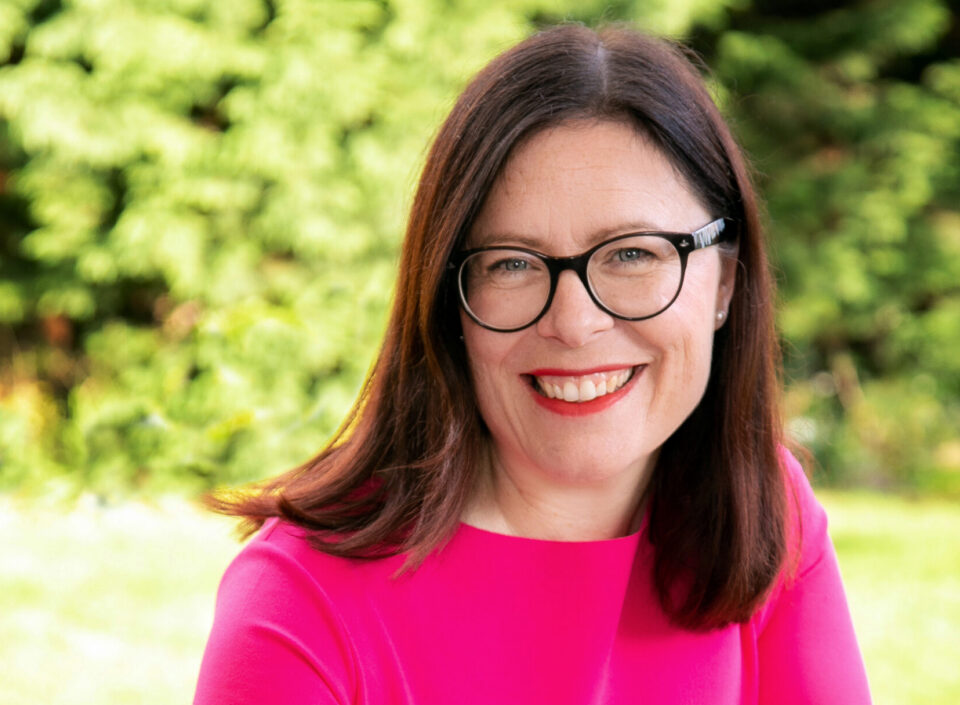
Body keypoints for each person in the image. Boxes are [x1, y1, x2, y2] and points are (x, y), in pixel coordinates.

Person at [194, 23, 872, 704]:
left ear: (724, 281)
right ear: (449, 301)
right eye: (512, 263)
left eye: (633, 253)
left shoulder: (763, 511)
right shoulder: (298, 601)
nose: (574, 324)